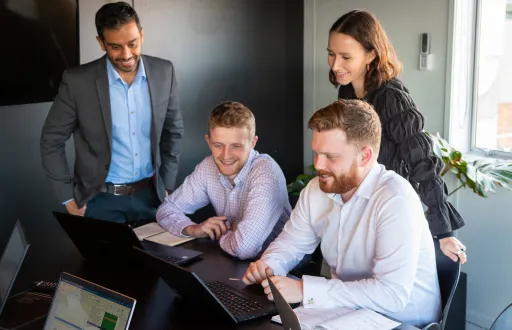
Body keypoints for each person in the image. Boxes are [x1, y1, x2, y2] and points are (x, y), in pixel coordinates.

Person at [243, 100, 441, 328]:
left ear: (365, 156)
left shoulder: (396, 199)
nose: (318, 165)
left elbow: (392, 294)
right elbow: (291, 244)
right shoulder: (316, 190)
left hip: (401, 322)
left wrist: (304, 290)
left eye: (330, 157)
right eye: (316, 153)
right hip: (344, 312)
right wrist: (269, 266)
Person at [326, 10, 466, 263]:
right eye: (331, 54)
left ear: (370, 55)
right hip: (360, 204)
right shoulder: (346, 93)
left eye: (346, 56)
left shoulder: (391, 96)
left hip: (391, 208)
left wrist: (443, 231)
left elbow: (421, 159)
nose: (335, 65)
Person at [40, 2, 183, 223]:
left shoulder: (164, 72)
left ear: (141, 35)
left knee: (155, 259)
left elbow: (173, 131)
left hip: (152, 199)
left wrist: (167, 186)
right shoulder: (78, 81)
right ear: (101, 43)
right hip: (100, 202)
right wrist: (67, 197)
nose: (127, 55)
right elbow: (51, 139)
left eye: (132, 44)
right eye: (115, 46)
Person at [156, 101, 291, 260]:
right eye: (218, 145)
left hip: (281, 272)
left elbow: (244, 248)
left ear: (253, 143)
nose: (226, 155)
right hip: (234, 264)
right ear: (208, 141)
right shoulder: (208, 166)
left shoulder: (266, 173)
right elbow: (167, 208)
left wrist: (221, 233)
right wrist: (192, 229)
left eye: (236, 146)